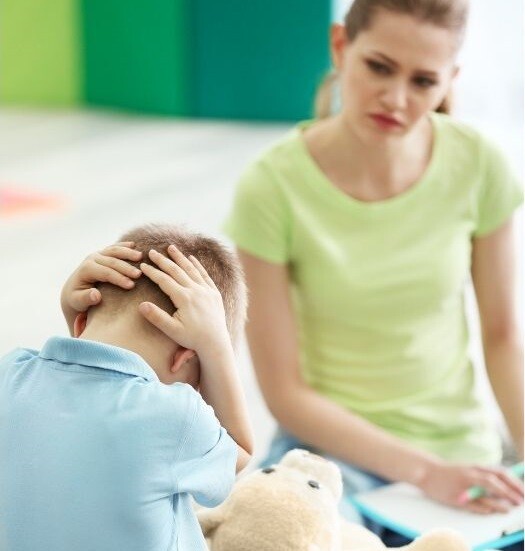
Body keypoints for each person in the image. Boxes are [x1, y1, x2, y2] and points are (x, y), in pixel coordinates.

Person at [223, 0, 523, 545]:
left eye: (424, 80)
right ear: (341, 47)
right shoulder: (271, 186)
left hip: (461, 459)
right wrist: (425, 474)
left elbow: (502, 338)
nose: (397, 98)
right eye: (379, 67)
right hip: (328, 463)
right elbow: (284, 390)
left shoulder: (480, 165)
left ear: (450, 80)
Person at [0, 223, 253, 551]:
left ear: (79, 321)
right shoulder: (175, 415)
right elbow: (240, 452)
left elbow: (81, 398)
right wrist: (216, 347)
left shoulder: (11, 375)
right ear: (184, 357)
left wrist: (70, 307)